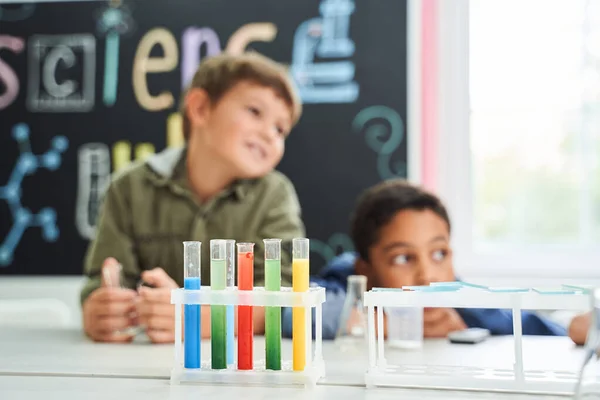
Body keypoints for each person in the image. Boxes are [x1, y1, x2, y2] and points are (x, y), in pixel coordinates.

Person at [82, 52, 305, 343]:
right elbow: (101, 283)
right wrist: (99, 310)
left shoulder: (275, 195)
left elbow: (285, 295)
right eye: (254, 111)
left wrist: (204, 318)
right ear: (200, 108)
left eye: (280, 129)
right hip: (141, 362)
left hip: (239, 367)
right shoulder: (128, 188)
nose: (269, 134)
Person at [283, 179, 570, 340]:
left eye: (439, 254)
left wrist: (578, 329)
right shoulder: (343, 280)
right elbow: (288, 311)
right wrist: (388, 326)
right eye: (403, 258)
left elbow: (538, 328)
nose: (428, 276)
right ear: (365, 271)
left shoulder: (462, 301)